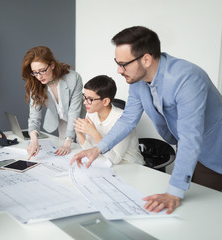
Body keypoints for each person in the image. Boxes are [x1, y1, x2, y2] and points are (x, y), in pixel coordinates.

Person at [71, 26, 222, 214]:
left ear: (146, 59)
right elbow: (128, 120)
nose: (118, 70)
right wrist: (98, 148)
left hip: (214, 149)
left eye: (123, 64)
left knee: (208, 211)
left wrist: (174, 192)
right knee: (191, 209)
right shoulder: (138, 81)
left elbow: (191, 136)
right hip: (189, 147)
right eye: (117, 62)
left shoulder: (187, 78)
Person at [22, 46, 84, 157]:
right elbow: (34, 116)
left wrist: (67, 143)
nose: (39, 76)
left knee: (82, 152)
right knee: (65, 157)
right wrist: (34, 140)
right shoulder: (35, 84)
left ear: (52, 65)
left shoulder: (73, 78)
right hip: (63, 123)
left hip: (81, 122)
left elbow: (74, 112)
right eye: (35, 72)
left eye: (42, 71)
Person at [74, 75, 144, 165]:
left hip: (130, 164)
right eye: (84, 97)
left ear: (106, 101)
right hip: (104, 161)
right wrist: (79, 133)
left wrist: (94, 133)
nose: (85, 102)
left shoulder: (122, 120)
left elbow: (115, 159)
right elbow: (90, 150)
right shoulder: (91, 113)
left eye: (90, 99)